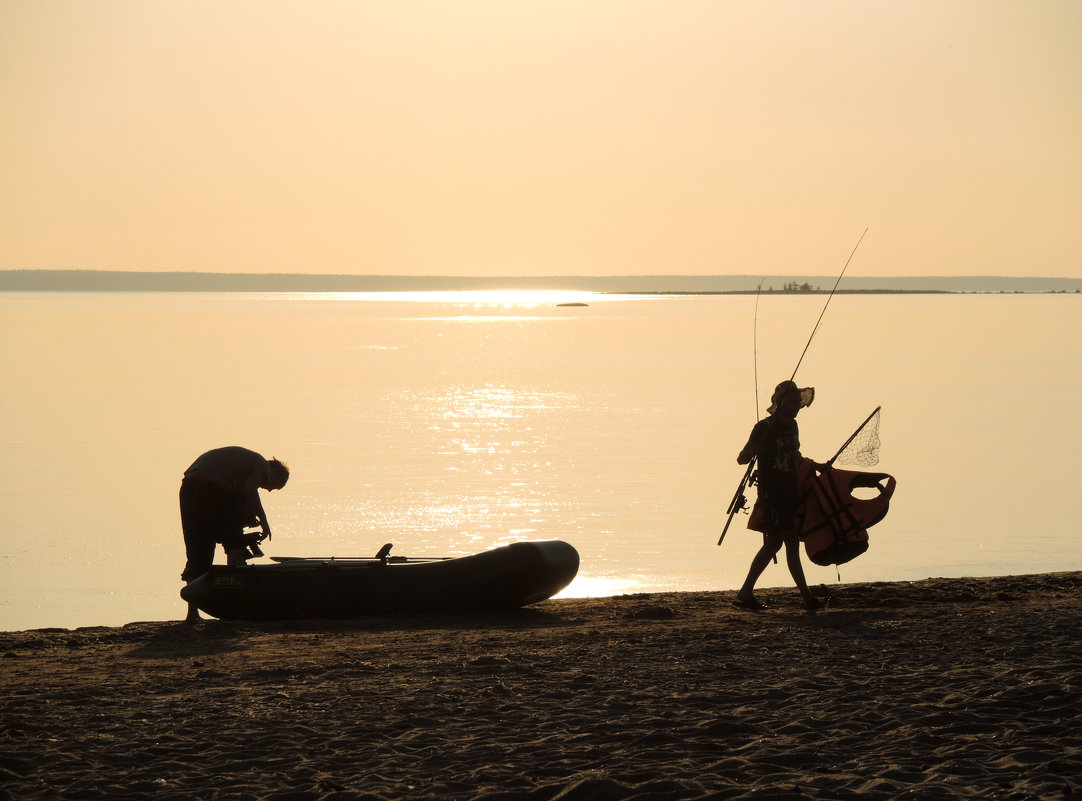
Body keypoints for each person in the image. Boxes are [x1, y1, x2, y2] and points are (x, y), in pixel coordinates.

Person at [732, 380, 825, 613]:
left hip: (791, 490)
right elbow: (742, 458)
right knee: (790, 542)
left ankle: (745, 593)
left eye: (798, 402)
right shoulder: (764, 427)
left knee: (773, 544)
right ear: (780, 402)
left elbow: (794, 456)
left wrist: (816, 466)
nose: (796, 406)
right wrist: (758, 449)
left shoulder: (793, 425)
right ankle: (807, 597)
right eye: (791, 401)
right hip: (772, 494)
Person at [179, 446, 289, 622]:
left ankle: (192, 614)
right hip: (208, 489)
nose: (268, 490)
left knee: (198, 550)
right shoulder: (262, 466)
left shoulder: (241, 470)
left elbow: (238, 495)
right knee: (234, 542)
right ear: (274, 473)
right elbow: (250, 491)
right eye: (275, 487)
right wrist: (264, 521)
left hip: (189, 489)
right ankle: (235, 603)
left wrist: (245, 516)